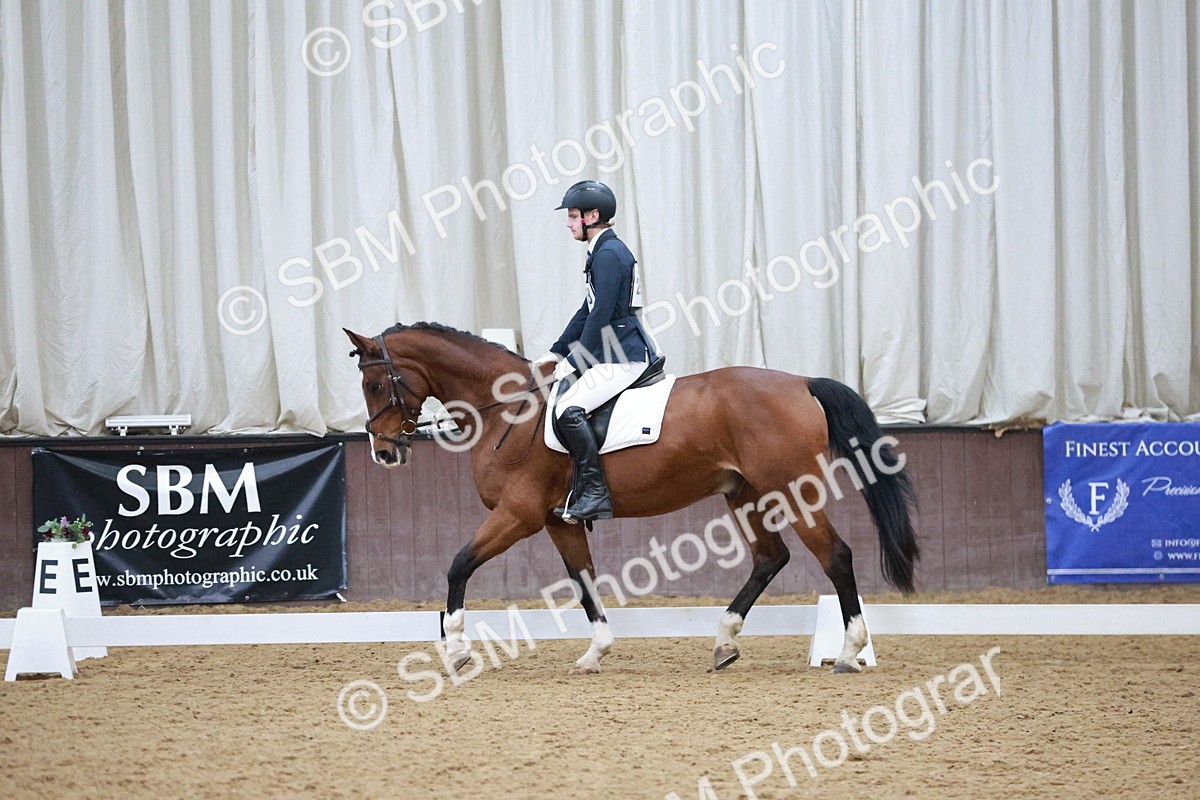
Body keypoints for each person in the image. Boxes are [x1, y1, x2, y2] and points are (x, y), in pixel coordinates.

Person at [532, 180, 659, 522]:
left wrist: (575, 361)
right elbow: (586, 310)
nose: (568, 223)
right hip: (612, 351)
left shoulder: (608, 254)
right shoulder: (602, 252)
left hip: (623, 355)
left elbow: (601, 314)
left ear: (592, 216)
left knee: (567, 409)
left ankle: (595, 492)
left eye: (573, 216)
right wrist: (557, 352)